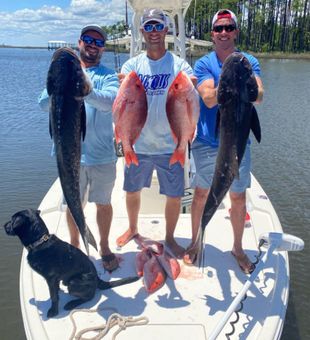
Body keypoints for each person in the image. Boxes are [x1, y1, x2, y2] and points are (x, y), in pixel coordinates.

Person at [183, 9, 264, 273]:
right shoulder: (204, 63)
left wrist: (249, 86)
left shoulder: (248, 60)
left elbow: (259, 94)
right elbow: (208, 98)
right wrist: (229, 85)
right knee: (201, 194)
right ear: (212, 35)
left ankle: (237, 248)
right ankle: (196, 241)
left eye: (229, 27)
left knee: (238, 197)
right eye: (219, 28)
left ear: (236, 32)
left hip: (239, 142)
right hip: (207, 141)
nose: (224, 32)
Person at [38, 24, 120, 272]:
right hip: (68, 156)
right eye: (88, 40)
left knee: (103, 203)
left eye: (98, 42)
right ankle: (75, 245)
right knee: (74, 206)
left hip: (103, 155)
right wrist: (61, 88)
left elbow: (111, 103)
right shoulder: (63, 71)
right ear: (80, 42)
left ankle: (103, 247)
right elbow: (43, 103)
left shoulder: (108, 75)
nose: (92, 45)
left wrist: (85, 90)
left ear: (102, 48)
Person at [115, 8, 195, 258]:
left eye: (158, 26)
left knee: (174, 195)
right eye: (148, 27)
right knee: (132, 191)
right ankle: (132, 229)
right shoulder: (132, 66)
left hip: (170, 145)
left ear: (166, 30)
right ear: (142, 32)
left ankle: (169, 238)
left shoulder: (178, 65)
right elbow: (121, 101)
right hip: (138, 144)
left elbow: (191, 88)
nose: (153, 32)